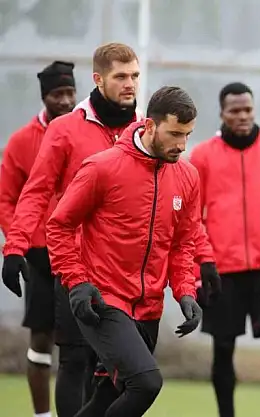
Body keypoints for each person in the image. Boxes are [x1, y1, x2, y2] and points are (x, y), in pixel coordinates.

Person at [1, 43, 143, 417]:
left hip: (127, 272)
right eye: (121, 76)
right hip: (75, 266)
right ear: (98, 79)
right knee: (74, 360)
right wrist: (15, 247)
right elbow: (35, 192)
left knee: (126, 373)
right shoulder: (64, 130)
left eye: (134, 76)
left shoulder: (145, 130)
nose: (130, 84)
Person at [45, 86, 204, 417]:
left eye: (187, 135)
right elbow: (59, 226)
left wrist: (186, 291)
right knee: (146, 383)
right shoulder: (102, 167)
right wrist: (76, 281)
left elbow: (182, 244)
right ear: (150, 125)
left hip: (149, 307)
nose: (182, 145)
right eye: (175, 134)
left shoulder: (188, 177)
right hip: (103, 300)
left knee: (106, 398)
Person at [189, 81, 260, 417]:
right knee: (223, 349)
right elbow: (192, 220)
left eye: (247, 109)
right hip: (222, 272)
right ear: (222, 114)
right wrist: (198, 273)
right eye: (235, 111)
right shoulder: (202, 156)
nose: (243, 116)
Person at [0, 60, 76, 417]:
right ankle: (42, 415)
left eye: (70, 92)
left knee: (84, 342)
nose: (65, 100)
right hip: (40, 255)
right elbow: (6, 199)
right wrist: (22, 241)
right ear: (44, 97)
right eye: (57, 94)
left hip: (82, 254)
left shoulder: (86, 133)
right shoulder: (21, 141)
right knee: (42, 340)